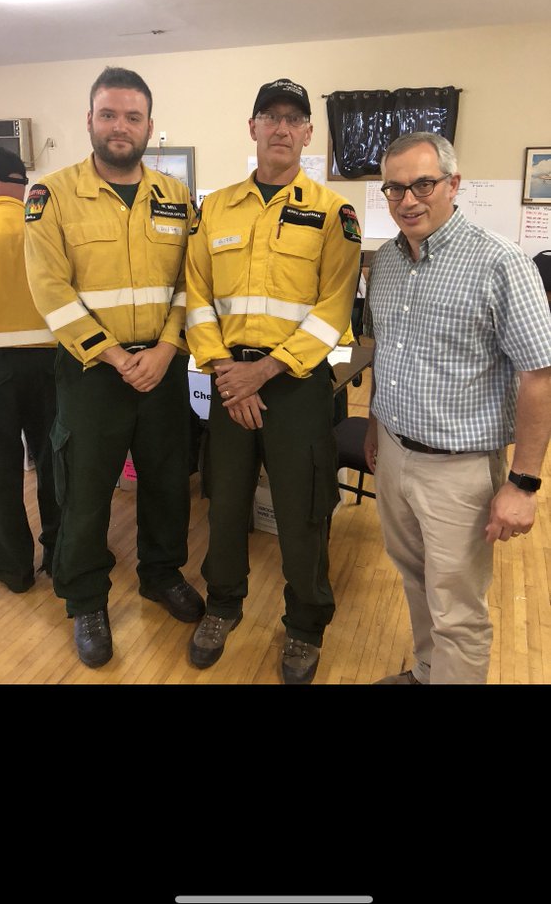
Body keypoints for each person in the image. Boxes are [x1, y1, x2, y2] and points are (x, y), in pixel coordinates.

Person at [24, 66, 205, 668]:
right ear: (90, 121)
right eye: (109, 114)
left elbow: (192, 283)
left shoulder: (176, 198)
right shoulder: (51, 196)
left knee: (165, 478)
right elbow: (50, 290)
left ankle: (160, 572)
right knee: (84, 491)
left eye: (132, 116)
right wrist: (113, 354)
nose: (120, 126)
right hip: (92, 373)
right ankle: (85, 597)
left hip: (161, 366)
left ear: (150, 126)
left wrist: (165, 349)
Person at [185, 77, 362, 684]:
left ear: (309, 133)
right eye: (271, 117)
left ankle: (306, 626)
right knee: (227, 502)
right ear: (253, 127)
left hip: (295, 385)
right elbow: (197, 296)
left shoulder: (333, 213)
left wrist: (263, 371)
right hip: (229, 378)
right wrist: (227, 374)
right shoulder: (214, 208)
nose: (282, 128)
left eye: (294, 119)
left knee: (302, 510)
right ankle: (223, 605)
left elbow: (335, 307)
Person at [363, 131, 551, 685]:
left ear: (453, 184)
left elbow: (540, 374)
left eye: (423, 183)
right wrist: (376, 426)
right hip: (395, 456)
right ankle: (426, 673)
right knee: (415, 580)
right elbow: (387, 353)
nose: (408, 199)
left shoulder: (500, 262)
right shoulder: (389, 263)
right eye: (394, 188)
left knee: (458, 609)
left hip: (459, 471)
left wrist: (523, 483)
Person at [0, 148, 61, 593]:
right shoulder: (46, 227)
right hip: (51, 363)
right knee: (57, 464)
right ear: (22, 184)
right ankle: (62, 555)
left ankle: (13, 568)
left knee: (1, 471)